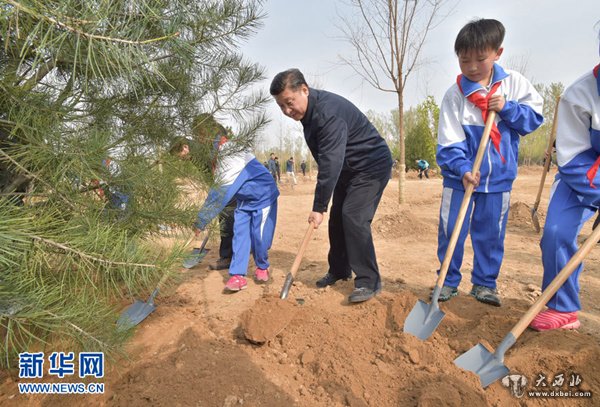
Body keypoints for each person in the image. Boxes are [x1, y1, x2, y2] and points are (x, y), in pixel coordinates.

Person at [435, 19, 543, 306]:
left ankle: (484, 284)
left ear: (497, 53)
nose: (471, 66)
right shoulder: (455, 96)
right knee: (451, 231)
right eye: (464, 59)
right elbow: (448, 142)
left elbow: (534, 118)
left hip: (498, 180)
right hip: (460, 179)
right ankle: (446, 281)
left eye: (480, 59)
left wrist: (506, 108)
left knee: (490, 234)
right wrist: (463, 170)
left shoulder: (514, 84)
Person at [270, 68, 393, 303]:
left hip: (370, 166)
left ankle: (369, 281)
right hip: (350, 169)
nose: (287, 111)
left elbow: (330, 162)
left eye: (289, 103)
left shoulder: (327, 114)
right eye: (281, 106)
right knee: (337, 218)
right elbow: (330, 160)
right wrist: (325, 207)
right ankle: (339, 270)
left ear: (304, 90)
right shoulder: (309, 115)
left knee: (354, 216)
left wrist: (319, 206)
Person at [530, 41, 600, 331]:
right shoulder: (580, 95)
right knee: (556, 232)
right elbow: (572, 159)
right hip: (585, 174)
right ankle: (563, 307)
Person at [170, 118, 279, 292]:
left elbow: (220, 190)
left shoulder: (230, 152)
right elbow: (218, 185)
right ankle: (237, 276)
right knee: (240, 235)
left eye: (202, 139)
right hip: (243, 198)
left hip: (263, 196)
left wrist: (201, 220)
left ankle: (262, 266)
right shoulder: (216, 155)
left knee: (259, 237)